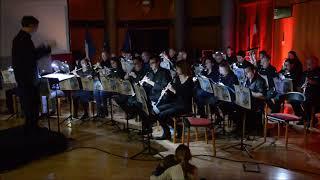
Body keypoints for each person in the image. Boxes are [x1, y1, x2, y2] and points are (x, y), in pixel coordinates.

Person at [12, 16, 52, 133]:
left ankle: (31, 128)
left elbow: (29, 55)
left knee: (30, 105)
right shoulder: (23, 39)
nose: (36, 29)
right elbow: (32, 56)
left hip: (24, 78)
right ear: (31, 25)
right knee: (32, 105)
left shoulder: (19, 38)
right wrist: (46, 48)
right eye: (36, 26)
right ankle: (32, 130)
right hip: (27, 79)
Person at [155, 61, 194, 140]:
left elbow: (187, 96)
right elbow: (173, 95)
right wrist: (167, 92)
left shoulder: (190, 80)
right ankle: (177, 128)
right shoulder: (176, 78)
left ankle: (167, 133)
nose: (176, 70)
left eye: (177, 68)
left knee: (162, 115)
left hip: (185, 105)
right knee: (157, 111)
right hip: (176, 103)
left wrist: (174, 90)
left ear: (183, 68)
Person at [244, 64, 267, 135]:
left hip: (258, 103)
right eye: (245, 72)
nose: (246, 74)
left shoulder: (260, 80)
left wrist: (249, 93)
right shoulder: (247, 79)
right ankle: (243, 128)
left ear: (253, 71)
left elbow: (262, 95)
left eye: (248, 72)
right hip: (250, 101)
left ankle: (251, 129)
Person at [298, 56, 320, 126]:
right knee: (294, 100)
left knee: (305, 101)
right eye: (307, 64)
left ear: (316, 63)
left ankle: (311, 120)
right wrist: (300, 87)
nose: (309, 66)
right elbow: (300, 84)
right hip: (305, 93)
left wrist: (313, 82)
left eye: (310, 64)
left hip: (316, 94)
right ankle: (303, 117)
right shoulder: (305, 73)